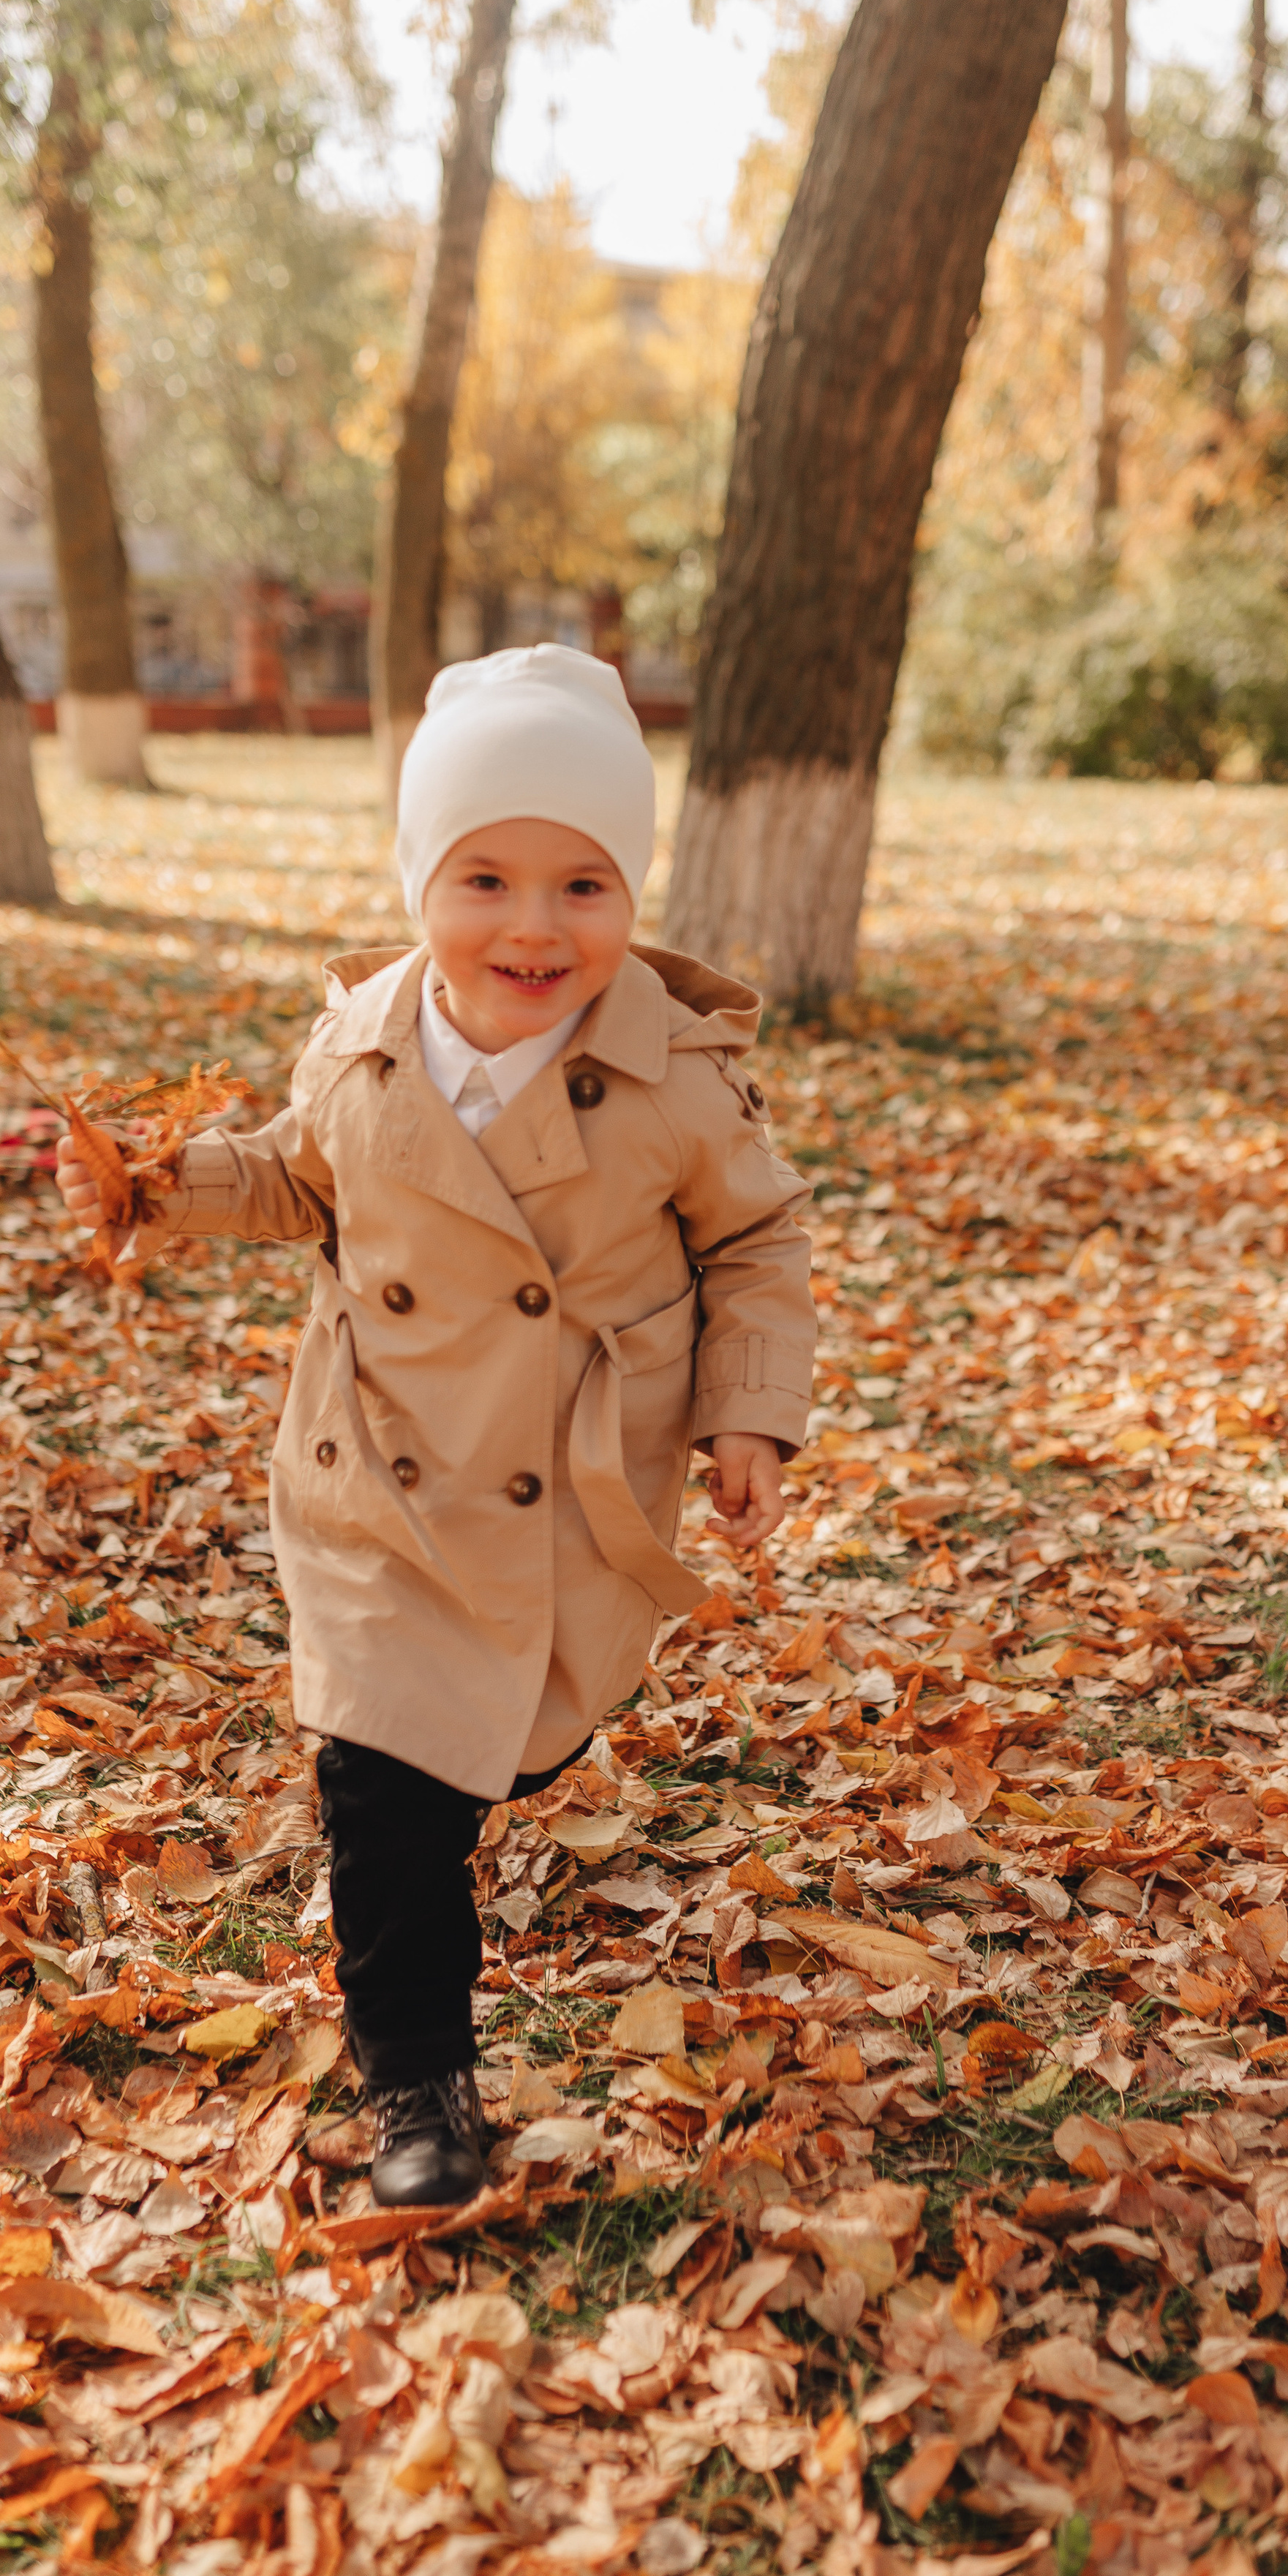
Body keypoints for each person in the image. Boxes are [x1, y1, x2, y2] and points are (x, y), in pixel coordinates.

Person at [56, 645, 816, 2207]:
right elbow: (298, 1175)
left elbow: (755, 1243)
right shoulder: (359, 1041)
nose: (532, 927)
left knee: (494, 1765)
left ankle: (478, 1783)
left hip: (567, 1488)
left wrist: (750, 1417)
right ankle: (420, 2090)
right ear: (419, 881)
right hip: (375, 1483)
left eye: (582, 886)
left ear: (628, 896)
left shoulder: (672, 1076)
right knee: (384, 1793)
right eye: (484, 877)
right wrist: (154, 1183)